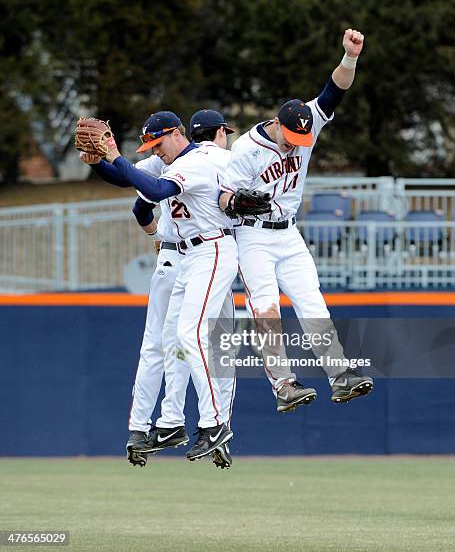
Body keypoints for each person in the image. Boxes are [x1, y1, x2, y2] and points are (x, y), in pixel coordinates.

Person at [219, 28, 374, 406]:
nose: (296, 145)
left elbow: (334, 91)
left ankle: (340, 375)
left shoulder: (306, 122)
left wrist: (350, 57)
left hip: (289, 234)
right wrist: (237, 202)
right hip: (253, 237)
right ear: (277, 123)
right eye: (290, 137)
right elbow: (221, 198)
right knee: (266, 309)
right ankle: (284, 385)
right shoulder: (245, 150)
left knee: (312, 302)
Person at [81, 110, 237, 463]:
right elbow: (129, 181)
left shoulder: (200, 159)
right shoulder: (173, 159)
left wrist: (114, 155)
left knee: (194, 336)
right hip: (187, 255)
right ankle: (173, 422)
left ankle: (216, 424)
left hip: (211, 247)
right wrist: (97, 161)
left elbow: (155, 190)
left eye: (159, 143)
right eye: (151, 146)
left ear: (178, 133)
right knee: (174, 339)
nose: (157, 152)